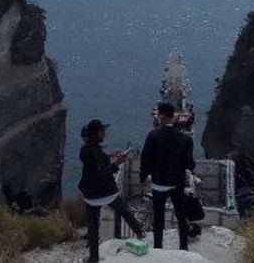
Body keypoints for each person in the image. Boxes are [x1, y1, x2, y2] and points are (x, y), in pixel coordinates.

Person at [78, 118, 144, 262]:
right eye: (102, 131)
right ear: (95, 134)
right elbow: (101, 173)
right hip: (106, 193)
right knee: (125, 211)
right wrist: (117, 163)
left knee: (93, 227)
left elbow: (96, 161)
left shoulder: (85, 150)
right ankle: (140, 232)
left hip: (91, 196)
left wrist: (112, 155)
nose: (105, 134)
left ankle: (93, 258)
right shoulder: (95, 151)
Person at [140, 102, 196, 250]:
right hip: (177, 183)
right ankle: (183, 248)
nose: (157, 117)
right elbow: (190, 164)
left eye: (158, 114)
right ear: (173, 116)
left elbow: (145, 160)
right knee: (181, 216)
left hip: (158, 184)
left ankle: (158, 248)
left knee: (158, 219)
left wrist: (142, 178)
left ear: (162, 116)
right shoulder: (185, 139)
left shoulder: (152, 136)